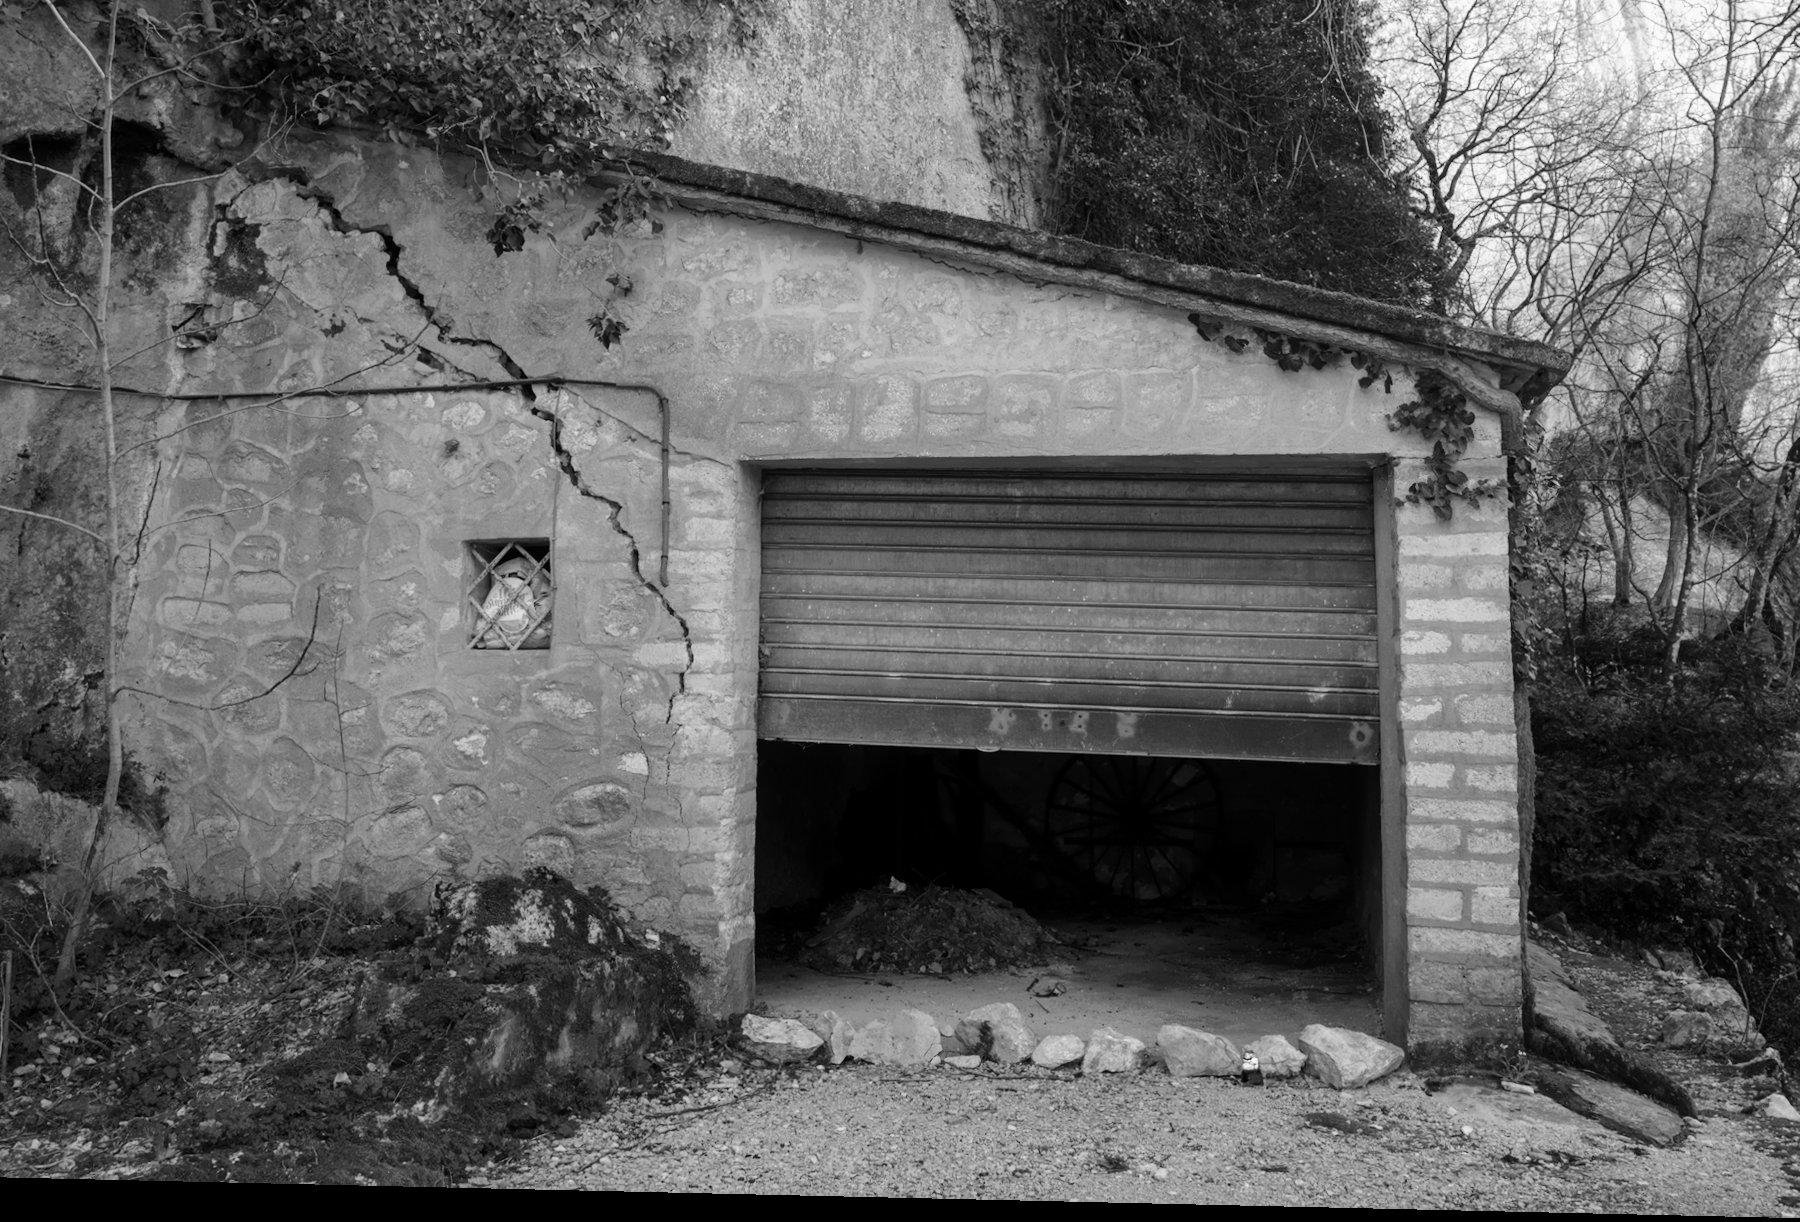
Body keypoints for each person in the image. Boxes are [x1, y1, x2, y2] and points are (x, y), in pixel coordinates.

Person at [475, 555, 551, 648]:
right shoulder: (498, 584)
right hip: (510, 627)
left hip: (526, 623)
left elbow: (544, 608)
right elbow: (484, 623)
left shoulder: (535, 579)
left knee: (541, 632)